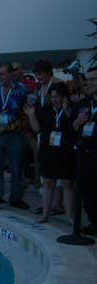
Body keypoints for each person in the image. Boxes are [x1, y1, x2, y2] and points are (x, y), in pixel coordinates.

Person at [0, 63, 29, 211]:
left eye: (2, 74)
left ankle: (16, 198)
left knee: (16, 167)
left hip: (15, 134)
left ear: (10, 74)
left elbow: (27, 109)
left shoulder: (21, 89)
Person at [25, 83, 75, 224]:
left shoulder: (71, 110)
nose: (54, 99)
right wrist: (31, 115)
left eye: (57, 97)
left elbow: (74, 128)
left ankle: (70, 217)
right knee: (47, 182)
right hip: (48, 150)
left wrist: (67, 111)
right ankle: (45, 214)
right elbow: (37, 129)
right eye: (52, 97)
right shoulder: (46, 110)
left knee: (67, 184)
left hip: (66, 151)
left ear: (64, 97)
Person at [73, 67, 97, 235]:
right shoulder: (85, 103)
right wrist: (79, 122)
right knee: (88, 190)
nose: (89, 83)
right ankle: (93, 222)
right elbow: (74, 127)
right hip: (86, 153)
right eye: (88, 80)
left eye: (93, 79)